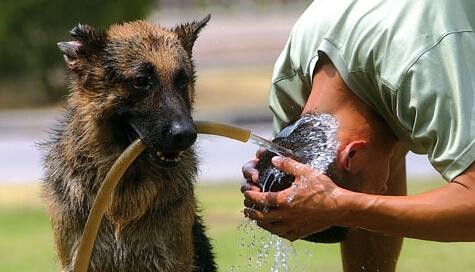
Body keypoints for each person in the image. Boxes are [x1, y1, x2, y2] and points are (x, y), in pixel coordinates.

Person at [241, 0, 475, 271]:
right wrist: (268, 176)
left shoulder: (424, 67)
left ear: (351, 155)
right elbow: (318, 181)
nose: (386, 190)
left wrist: (349, 207)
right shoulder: (296, 80)